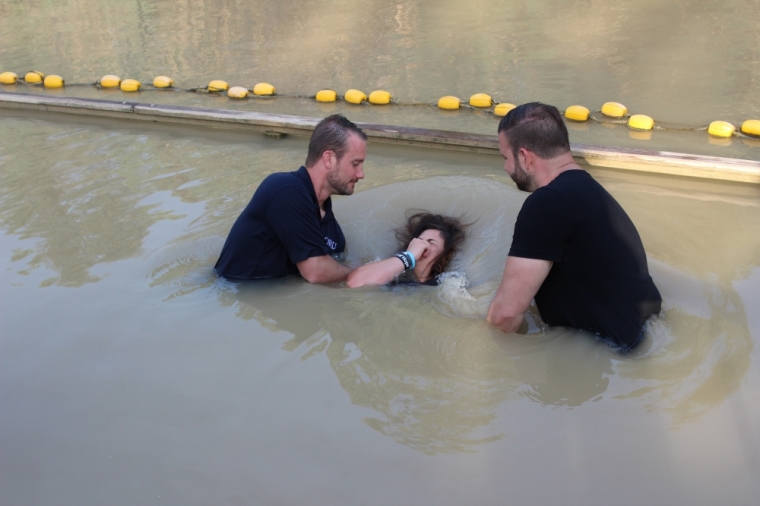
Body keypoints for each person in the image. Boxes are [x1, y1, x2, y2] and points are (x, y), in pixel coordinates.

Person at [486, 102, 661, 353]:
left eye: (505, 157)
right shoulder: (585, 189)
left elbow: (505, 317)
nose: (505, 167)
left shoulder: (547, 203)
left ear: (524, 157)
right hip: (645, 333)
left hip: (612, 351)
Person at [214, 114, 366, 282]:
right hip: (231, 292)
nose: (361, 174)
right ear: (329, 158)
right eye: (355, 164)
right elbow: (316, 273)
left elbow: (330, 270)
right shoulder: (285, 190)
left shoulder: (334, 232)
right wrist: (360, 272)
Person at [346, 212, 466, 288]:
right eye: (419, 240)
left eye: (431, 242)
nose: (422, 244)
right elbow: (354, 282)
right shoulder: (392, 279)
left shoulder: (446, 285)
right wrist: (408, 257)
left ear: (445, 254)